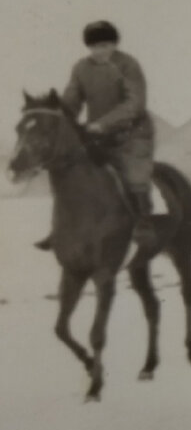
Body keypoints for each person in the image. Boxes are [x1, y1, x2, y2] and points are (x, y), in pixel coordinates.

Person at [36, 20, 157, 255]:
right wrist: (58, 114)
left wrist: (104, 123)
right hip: (97, 133)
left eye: (106, 45)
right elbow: (72, 100)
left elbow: (135, 103)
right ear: (89, 48)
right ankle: (59, 227)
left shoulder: (128, 65)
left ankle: (144, 224)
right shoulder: (81, 68)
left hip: (132, 133)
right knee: (71, 172)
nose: (101, 51)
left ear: (114, 44)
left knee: (133, 173)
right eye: (95, 47)